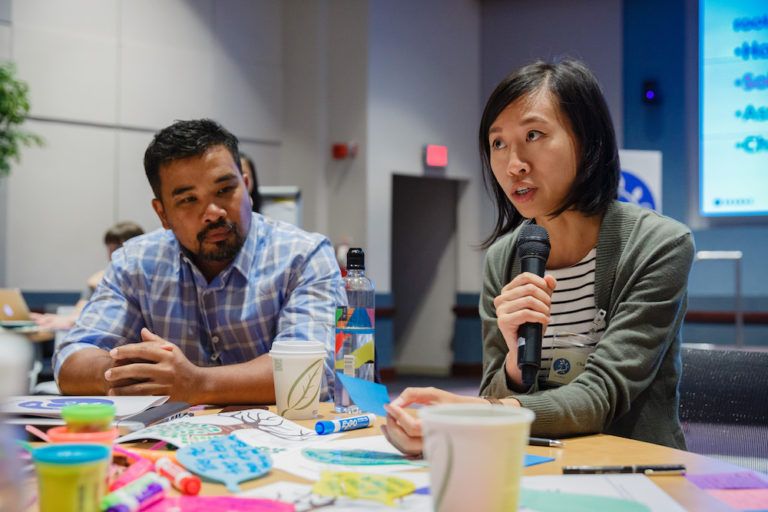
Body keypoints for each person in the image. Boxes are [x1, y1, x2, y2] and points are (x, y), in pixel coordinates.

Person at [383, 59, 694, 452]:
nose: (514, 165)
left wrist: (479, 415)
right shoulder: (504, 258)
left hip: (635, 468)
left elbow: (601, 395)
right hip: (537, 465)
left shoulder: (658, 244)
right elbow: (493, 388)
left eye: (533, 134)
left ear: (587, 140)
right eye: (498, 143)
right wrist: (513, 366)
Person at [53, 119, 343, 405]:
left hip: (283, 445)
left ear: (246, 186)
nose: (213, 212)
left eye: (224, 190)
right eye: (189, 200)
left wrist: (197, 384)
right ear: (163, 214)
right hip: (165, 447)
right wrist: (132, 373)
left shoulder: (303, 255)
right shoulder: (135, 263)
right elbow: (71, 360)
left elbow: (313, 373)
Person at [30, 221, 145, 331]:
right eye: (109, 249)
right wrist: (62, 320)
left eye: (117, 248)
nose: (112, 254)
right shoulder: (99, 278)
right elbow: (79, 312)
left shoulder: (145, 276)